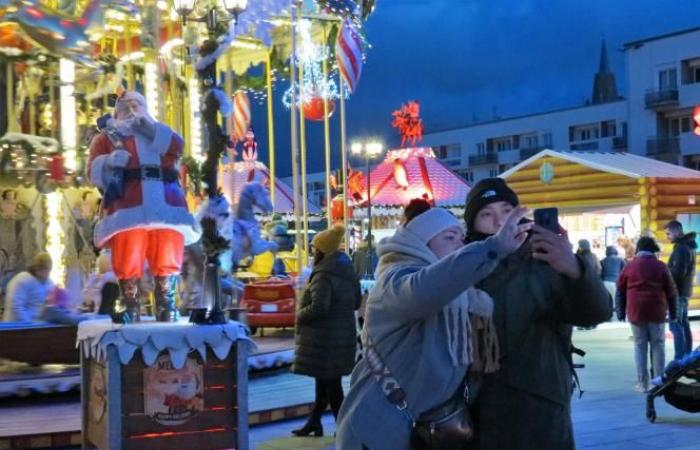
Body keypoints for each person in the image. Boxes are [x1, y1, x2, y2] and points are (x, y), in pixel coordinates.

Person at [335, 200, 532, 450]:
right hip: (376, 428)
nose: (460, 245)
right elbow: (425, 289)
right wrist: (493, 247)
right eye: (450, 237)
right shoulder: (395, 281)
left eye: (462, 237)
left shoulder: (462, 296)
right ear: (421, 244)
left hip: (426, 430)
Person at [462, 178, 611, 450]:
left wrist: (575, 270)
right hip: (475, 409)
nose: (499, 222)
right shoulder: (462, 265)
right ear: (472, 224)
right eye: (487, 214)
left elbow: (596, 313)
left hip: (539, 408)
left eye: (507, 211)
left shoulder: (546, 258)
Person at [87, 91, 200, 323]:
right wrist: (107, 162)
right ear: (116, 111)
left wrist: (152, 129)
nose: (131, 109)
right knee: (128, 250)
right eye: (126, 106)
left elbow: (177, 145)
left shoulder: (158, 131)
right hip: (128, 204)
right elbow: (91, 170)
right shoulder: (106, 138)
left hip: (166, 203)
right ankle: (130, 304)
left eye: (137, 104)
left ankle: (166, 303)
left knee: (168, 249)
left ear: (145, 107)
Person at [291, 224, 361, 437]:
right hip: (341, 335)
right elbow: (357, 303)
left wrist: (300, 314)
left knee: (331, 385)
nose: (313, 253)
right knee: (325, 382)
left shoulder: (323, 274)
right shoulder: (348, 271)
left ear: (322, 251)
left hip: (324, 337)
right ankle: (315, 422)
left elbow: (319, 307)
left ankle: (344, 428)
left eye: (315, 249)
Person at [616, 236, 677, 393]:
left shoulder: (629, 266)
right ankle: (658, 381)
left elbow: (620, 290)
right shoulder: (661, 266)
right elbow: (671, 292)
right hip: (657, 310)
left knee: (639, 346)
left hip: (636, 311)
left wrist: (620, 311)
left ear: (638, 250)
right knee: (658, 345)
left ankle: (642, 383)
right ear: (652, 250)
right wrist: (674, 313)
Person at [665, 220, 696, 359]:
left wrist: (665, 270)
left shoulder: (682, 248)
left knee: (675, 325)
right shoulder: (687, 246)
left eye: (668, 233)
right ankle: (687, 355)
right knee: (683, 323)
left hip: (678, 292)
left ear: (677, 231)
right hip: (684, 291)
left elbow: (678, 272)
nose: (667, 236)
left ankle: (680, 357)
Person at [3, 252, 54, 322]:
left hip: (39, 327)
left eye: (48, 270)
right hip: (17, 327)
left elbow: (50, 304)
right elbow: (16, 307)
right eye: (45, 269)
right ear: (37, 267)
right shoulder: (22, 279)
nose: (47, 273)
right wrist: (30, 325)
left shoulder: (49, 283)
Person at [600, 245, 625, 310]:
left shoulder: (603, 260)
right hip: (615, 282)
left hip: (605, 282)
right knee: (615, 301)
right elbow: (624, 271)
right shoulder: (620, 260)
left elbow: (600, 273)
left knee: (607, 300)